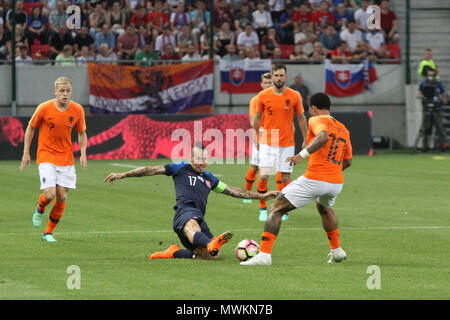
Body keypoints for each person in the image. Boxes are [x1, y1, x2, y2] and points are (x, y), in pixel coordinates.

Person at [104, 143, 278, 260]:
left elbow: (235, 192)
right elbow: (151, 170)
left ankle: (174, 252)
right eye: (198, 159)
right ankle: (210, 242)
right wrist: (123, 174)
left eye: (205, 159)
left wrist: (262, 196)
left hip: (198, 217)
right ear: (191, 158)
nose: (202, 163)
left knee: (210, 256)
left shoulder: (210, 179)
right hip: (184, 212)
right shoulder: (179, 168)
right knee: (193, 225)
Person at [241, 92, 352, 266]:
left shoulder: (316, 120)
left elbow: (323, 137)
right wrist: (331, 172)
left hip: (315, 179)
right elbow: (348, 161)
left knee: (276, 208)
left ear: (313, 108)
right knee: (324, 208)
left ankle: (264, 255)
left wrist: (302, 155)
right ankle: (336, 250)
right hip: (336, 182)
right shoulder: (344, 129)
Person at [20, 77, 87, 242]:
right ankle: (40, 208)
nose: (65, 94)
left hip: (66, 158)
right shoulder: (44, 108)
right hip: (46, 155)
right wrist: (26, 152)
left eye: (68, 91)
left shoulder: (77, 110)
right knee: (49, 195)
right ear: (55, 92)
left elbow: (82, 132)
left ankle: (48, 233)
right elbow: (30, 128)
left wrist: (83, 152)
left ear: (71, 91)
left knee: (62, 197)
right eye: (62, 91)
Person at [253, 63, 308, 222]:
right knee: (263, 176)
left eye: (281, 75)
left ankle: (282, 209)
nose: (278, 78)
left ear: (285, 76)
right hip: (268, 141)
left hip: (287, 142)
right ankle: (262, 208)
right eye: (276, 75)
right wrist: (257, 136)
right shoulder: (263, 96)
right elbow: (257, 118)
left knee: (285, 178)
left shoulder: (294, 95)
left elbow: (301, 118)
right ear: (273, 76)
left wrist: (305, 139)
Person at [244, 73, 284, 219]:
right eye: (265, 82)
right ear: (261, 84)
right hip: (262, 136)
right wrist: (257, 139)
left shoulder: (279, 98)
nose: (268, 85)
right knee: (257, 168)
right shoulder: (256, 100)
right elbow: (253, 121)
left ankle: (281, 207)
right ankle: (248, 194)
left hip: (279, 137)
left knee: (281, 171)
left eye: (270, 82)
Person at [415, 68, 448, 152]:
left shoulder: (439, 84)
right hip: (426, 108)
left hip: (437, 109)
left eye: (432, 75)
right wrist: (424, 97)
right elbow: (418, 95)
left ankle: (443, 147)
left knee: (440, 128)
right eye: (429, 75)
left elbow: (444, 96)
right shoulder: (423, 84)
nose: (430, 77)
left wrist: (442, 99)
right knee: (426, 128)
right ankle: (425, 147)